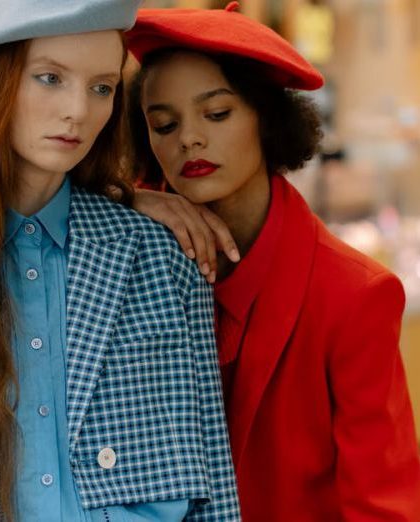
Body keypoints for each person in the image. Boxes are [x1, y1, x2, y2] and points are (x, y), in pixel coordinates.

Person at [0, 1, 241, 521]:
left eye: (102, 87)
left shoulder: (158, 255)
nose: (78, 110)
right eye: (50, 78)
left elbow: (212, 478)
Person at [126, 3, 420, 521]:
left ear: (267, 118)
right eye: (164, 124)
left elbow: (382, 503)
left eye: (217, 114)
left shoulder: (353, 294)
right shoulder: (135, 258)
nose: (189, 138)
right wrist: (130, 199)